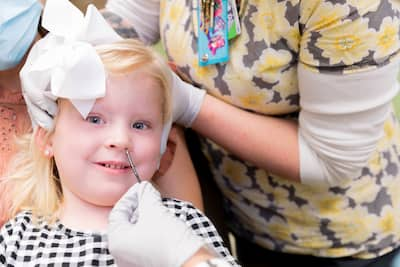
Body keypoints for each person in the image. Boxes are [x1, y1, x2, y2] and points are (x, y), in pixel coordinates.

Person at [102, 0, 400, 266]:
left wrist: (188, 104)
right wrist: (87, 46)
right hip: (233, 205)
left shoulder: (355, 6)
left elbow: (328, 158)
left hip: (327, 237)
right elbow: (131, 18)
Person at [0, 1, 238, 266]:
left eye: (140, 125)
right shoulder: (16, 240)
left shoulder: (184, 227)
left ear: (165, 152)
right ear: (46, 139)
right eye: (94, 119)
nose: (121, 139)